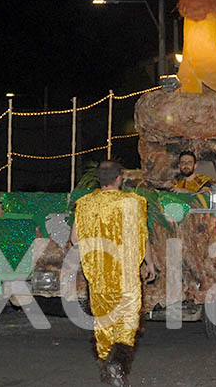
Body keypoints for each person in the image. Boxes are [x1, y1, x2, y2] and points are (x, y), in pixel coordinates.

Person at [71, 161, 155, 387]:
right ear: (120, 178)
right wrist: (150, 264)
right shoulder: (134, 203)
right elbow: (143, 237)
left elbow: (74, 240)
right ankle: (117, 364)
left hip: (98, 277)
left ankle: (111, 371)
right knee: (127, 322)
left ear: (99, 179)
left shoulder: (84, 204)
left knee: (104, 324)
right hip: (125, 275)